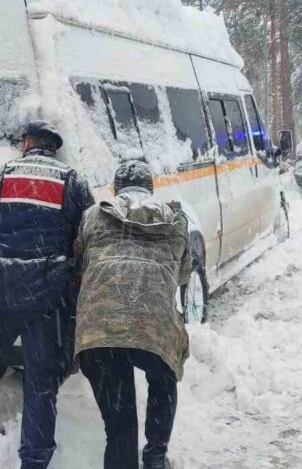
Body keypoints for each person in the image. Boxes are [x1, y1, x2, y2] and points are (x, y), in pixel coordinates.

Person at [0, 120, 94, 469]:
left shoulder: (1, 175)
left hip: (2, 286)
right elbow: (85, 233)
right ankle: (34, 459)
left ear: (29, 143)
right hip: (47, 294)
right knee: (41, 379)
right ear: (53, 147)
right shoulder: (71, 179)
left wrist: (6, 260)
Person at [74, 160, 192, 469]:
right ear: (152, 188)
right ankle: (155, 457)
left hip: (99, 328)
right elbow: (183, 273)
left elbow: (80, 264)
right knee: (163, 380)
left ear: (115, 190)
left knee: (120, 425)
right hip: (153, 326)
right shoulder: (176, 220)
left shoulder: (92, 216)